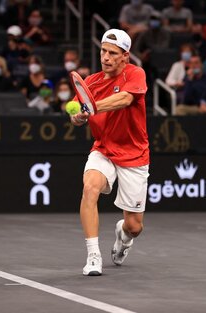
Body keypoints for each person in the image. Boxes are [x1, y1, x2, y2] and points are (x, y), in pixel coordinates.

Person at [69, 29, 149, 276]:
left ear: (125, 56)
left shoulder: (136, 74)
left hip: (134, 153)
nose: (106, 57)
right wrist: (78, 116)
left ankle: (123, 237)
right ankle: (93, 255)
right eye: (103, 51)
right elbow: (74, 111)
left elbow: (125, 99)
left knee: (135, 226)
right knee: (90, 188)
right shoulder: (91, 82)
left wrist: (92, 107)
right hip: (103, 149)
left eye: (113, 53)